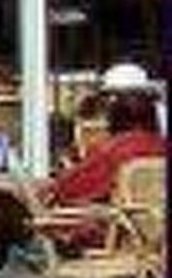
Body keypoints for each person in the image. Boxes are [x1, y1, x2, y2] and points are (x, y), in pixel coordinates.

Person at [23, 86, 165, 255]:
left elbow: (69, 189)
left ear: (115, 118)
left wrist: (47, 188)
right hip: (158, 238)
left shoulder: (113, 149)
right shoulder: (162, 146)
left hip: (116, 237)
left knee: (27, 240)